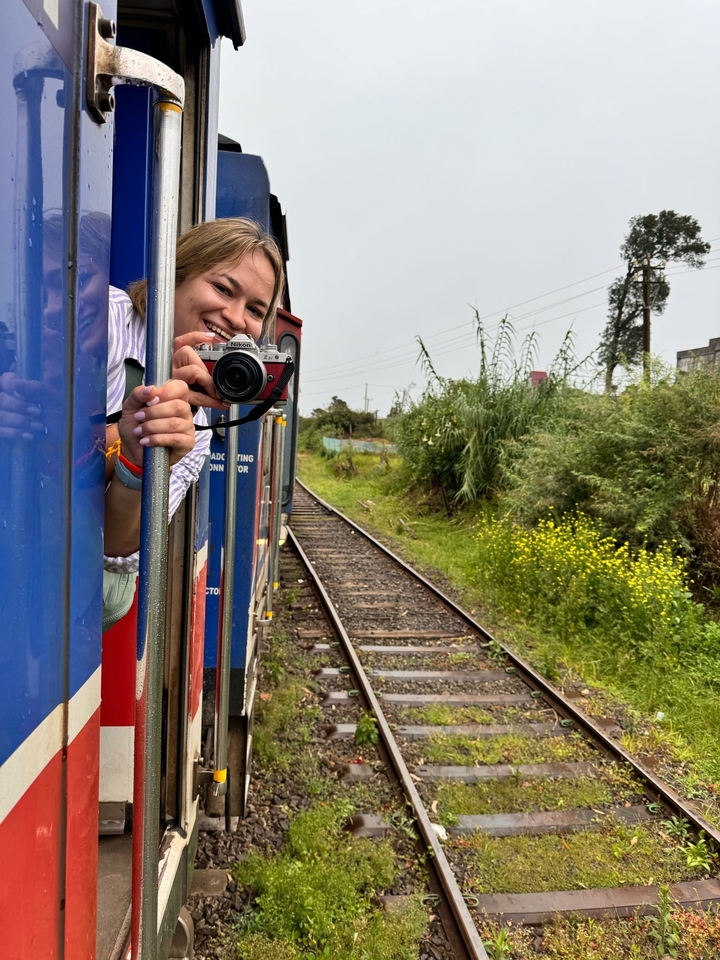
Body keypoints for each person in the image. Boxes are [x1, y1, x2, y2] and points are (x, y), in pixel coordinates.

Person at [103, 217, 285, 629]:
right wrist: (129, 430)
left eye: (255, 310)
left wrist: (141, 461)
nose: (237, 318)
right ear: (175, 275)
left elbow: (118, 548)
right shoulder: (103, 320)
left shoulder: (195, 431)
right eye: (223, 288)